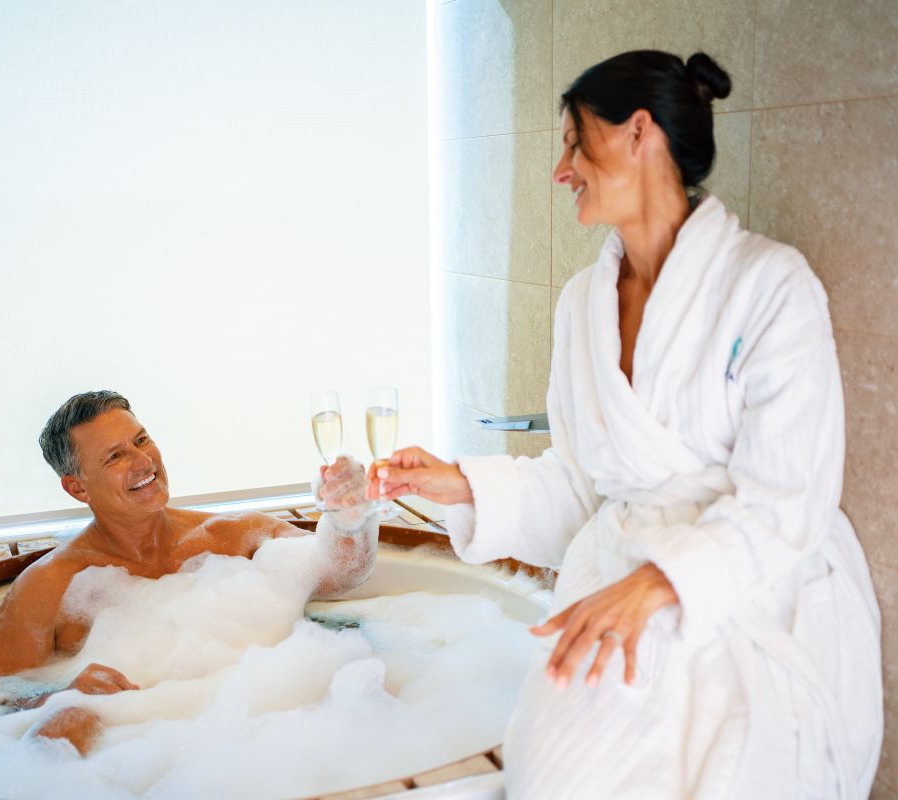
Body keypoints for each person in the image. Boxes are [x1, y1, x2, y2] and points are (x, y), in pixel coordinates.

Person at [369, 50, 882, 798]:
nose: (561, 170)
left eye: (575, 142)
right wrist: (463, 486)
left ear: (639, 133)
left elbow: (790, 497)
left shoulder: (770, 284)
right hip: (621, 577)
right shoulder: (582, 303)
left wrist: (663, 581)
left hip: (751, 586)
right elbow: (586, 487)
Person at [0, 390, 378, 755]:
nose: (143, 462)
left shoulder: (231, 537)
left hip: (262, 721)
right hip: (137, 747)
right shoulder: (49, 586)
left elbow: (339, 572)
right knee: (66, 723)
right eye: (115, 456)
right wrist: (63, 693)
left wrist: (348, 516)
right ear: (77, 489)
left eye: (141, 440)